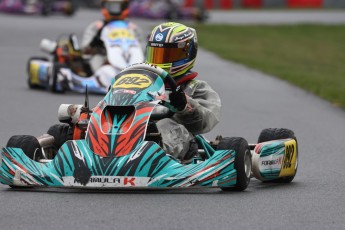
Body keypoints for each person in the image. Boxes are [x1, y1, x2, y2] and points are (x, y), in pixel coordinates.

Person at [145, 22, 221, 161]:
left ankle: (151, 158)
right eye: (156, 54)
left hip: (176, 139)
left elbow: (206, 121)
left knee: (164, 125)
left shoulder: (196, 87)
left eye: (166, 55)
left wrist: (185, 105)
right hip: (137, 128)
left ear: (186, 53)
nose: (159, 60)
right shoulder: (142, 81)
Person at [81, 0, 141, 72]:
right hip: (104, 57)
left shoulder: (132, 28)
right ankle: (98, 78)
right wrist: (94, 43)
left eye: (118, 6)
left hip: (130, 58)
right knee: (96, 58)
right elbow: (84, 50)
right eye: (111, 6)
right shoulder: (96, 27)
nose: (115, 9)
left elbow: (141, 47)